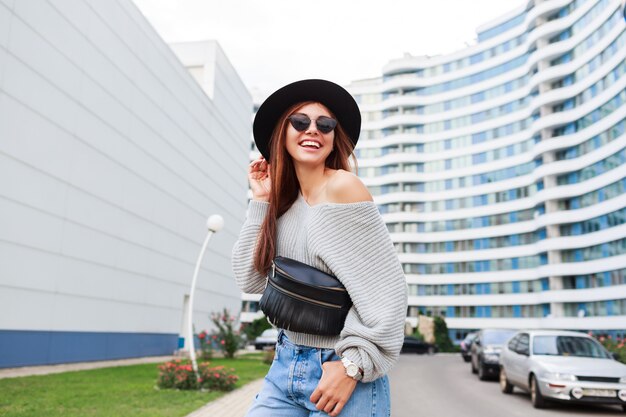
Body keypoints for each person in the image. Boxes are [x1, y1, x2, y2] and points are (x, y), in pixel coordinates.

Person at [232, 79, 407, 417]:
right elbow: (248, 279)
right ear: (282, 133)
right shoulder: (282, 205)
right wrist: (261, 202)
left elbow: (388, 293)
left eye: (324, 124)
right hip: (285, 365)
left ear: (333, 137)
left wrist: (352, 366)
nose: (312, 129)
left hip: (340, 368)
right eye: (300, 121)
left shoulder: (344, 188)